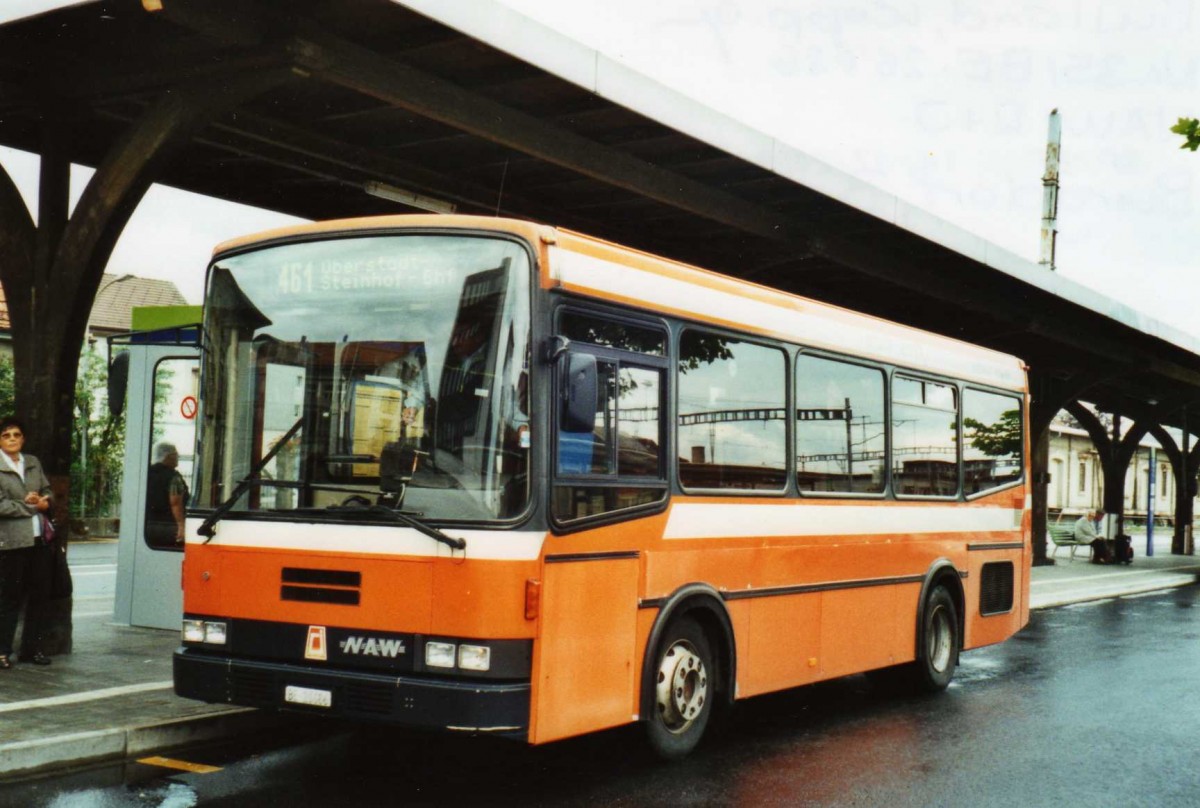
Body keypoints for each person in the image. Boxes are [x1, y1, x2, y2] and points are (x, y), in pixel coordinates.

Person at [0, 416, 52, 667]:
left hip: (38, 539)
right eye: (6, 435)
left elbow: (47, 490)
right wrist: (31, 506)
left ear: (23, 438)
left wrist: (45, 501)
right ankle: (2, 651)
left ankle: (32, 649)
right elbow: (1, 505)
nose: (12, 439)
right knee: (10, 597)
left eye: (16, 435)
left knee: (39, 596)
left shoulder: (32, 463)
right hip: (11, 542)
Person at [146, 442, 189, 548]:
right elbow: (175, 503)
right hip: (168, 526)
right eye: (176, 454)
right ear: (168, 456)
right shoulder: (173, 477)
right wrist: (181, 526)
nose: (178, 457)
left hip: (147, 524)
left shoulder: (146, 473)